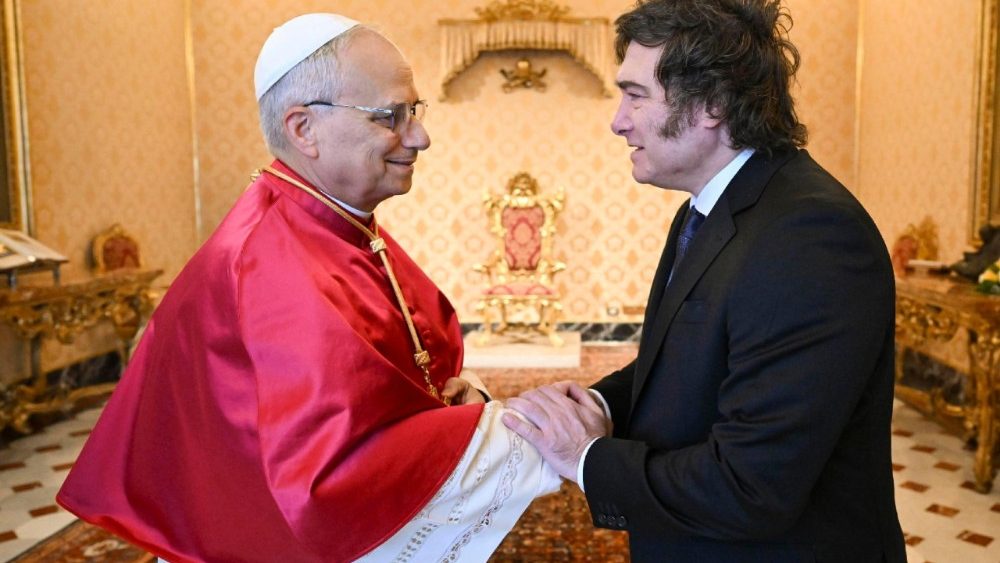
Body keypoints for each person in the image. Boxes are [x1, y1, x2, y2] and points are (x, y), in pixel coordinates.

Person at [57, 13, 558, 563]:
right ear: (303, 129)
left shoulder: (330, 222)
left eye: (414, 111)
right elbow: (336, 479)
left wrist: (455, 401)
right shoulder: (270, 262)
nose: (420, 136)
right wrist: (528, 434)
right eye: (390, 116)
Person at [502, 1, 907, 561]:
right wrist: (595, 401)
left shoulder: (811, 235)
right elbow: (686, 361)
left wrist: (585, 457)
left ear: (712, 102)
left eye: (635, 94)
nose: (618, 120)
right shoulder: (715, 206)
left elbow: (751, 488)